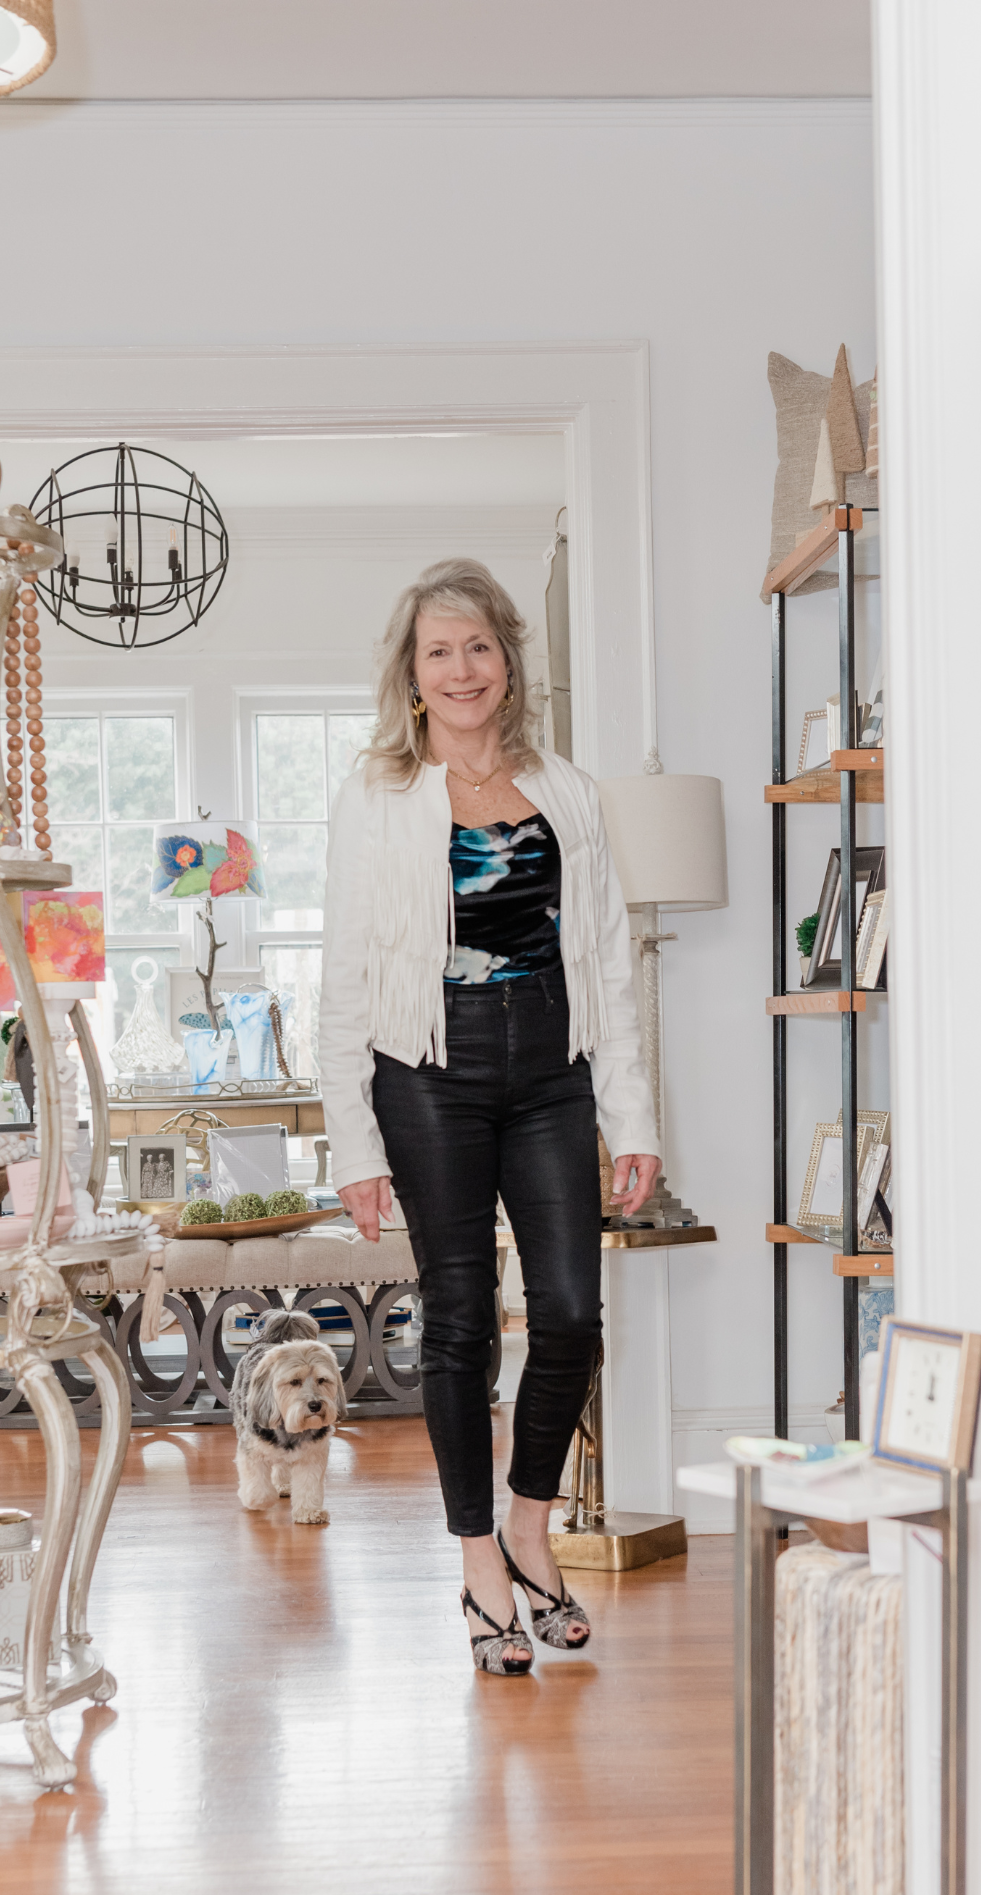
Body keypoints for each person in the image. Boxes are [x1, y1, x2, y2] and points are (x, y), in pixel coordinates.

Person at [320, 557, 660, 1675]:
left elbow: (609, 958)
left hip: (552, 1069)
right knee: (460, 1318)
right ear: (411, 676)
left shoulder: (566, 789)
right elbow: (345, 976)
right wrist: (353, 1142)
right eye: (438, 651)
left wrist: (635, 1116)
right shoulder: (375, 794)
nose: (461, 668)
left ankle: (529, 1521)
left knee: (568, 1312)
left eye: (478, 646)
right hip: (428, 1073)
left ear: (507, 661)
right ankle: (477, 1564)